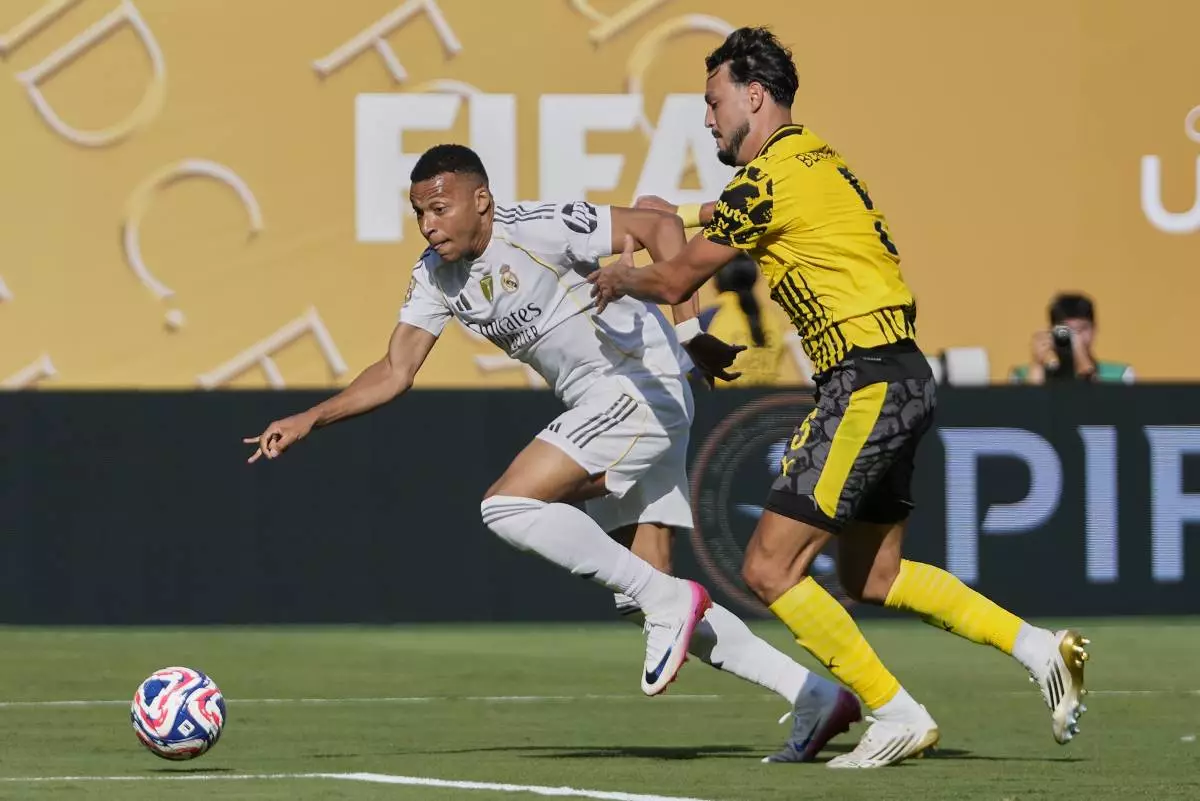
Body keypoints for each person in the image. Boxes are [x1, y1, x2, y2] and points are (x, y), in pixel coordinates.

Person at [242, 144, 862, 762]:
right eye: (419, 213)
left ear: (481, 200)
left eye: (440, 207)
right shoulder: (435, 274)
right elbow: (397, 368)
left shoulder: (536, 227)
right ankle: (814, 696)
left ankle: (672, 604)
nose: (429, 224)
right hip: (607, 403)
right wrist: (310, 418)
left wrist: (689, 331)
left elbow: (658, 225)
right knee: (641, 592)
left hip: (640, 386)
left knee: (507, 507)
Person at [590, 27, 1090, 769]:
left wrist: (614, 276)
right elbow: (731, 220)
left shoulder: (771, 178)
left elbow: (671, 281)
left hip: (866, 381)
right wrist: (675, 218)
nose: (706, 117)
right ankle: (1041, 648)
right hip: (901, 375)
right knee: (871, 576)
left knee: (767, 567)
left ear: (752, 95)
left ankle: (895, 711)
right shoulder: (809, 158)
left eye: (712, 100)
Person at [1011, 292, 1134, 384]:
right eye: (1065, 330)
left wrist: (1083, 364)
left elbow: (1105, 410)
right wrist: (1037, 364)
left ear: (1094, 330)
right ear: (1052, 331)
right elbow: (1028, 412)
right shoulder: (1021, 375)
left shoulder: (1121, 375)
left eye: (1082, 330)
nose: (1074, 336)